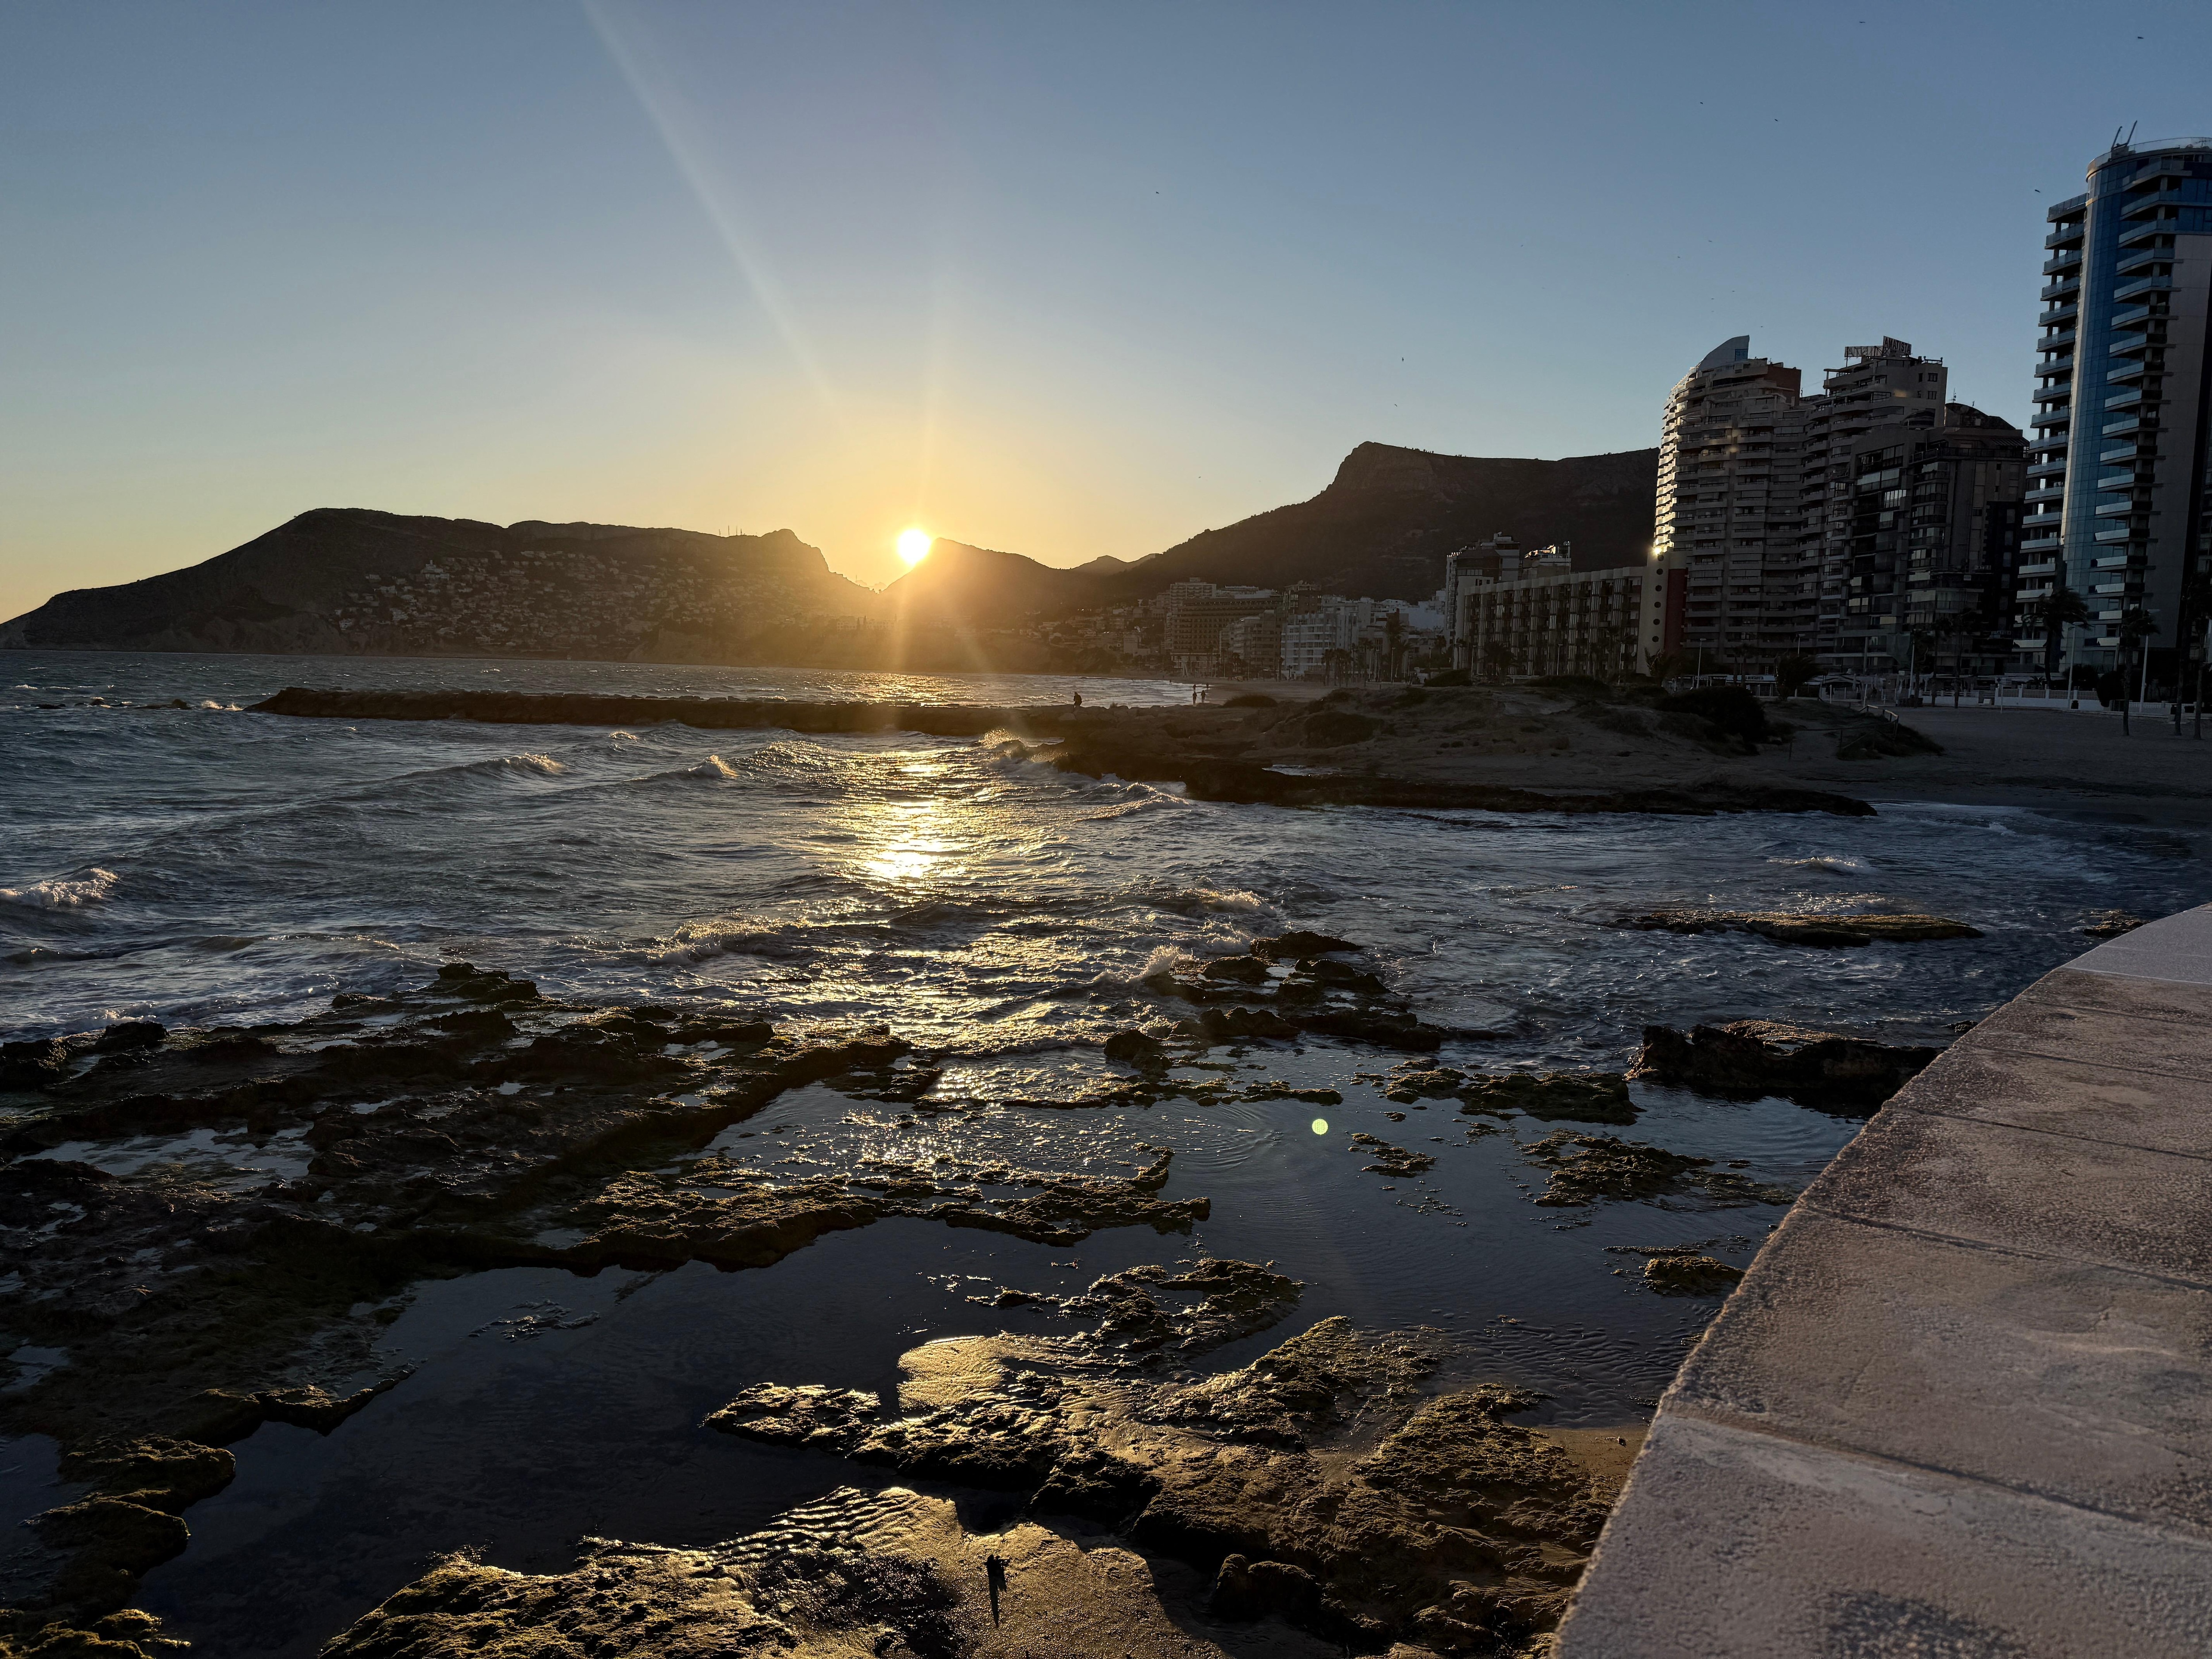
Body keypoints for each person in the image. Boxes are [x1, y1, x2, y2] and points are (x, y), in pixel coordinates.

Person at [984, 1553, 1009, 1624]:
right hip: (995, 1579)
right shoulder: (995, 1565)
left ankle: (996, 1619)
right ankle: (996, 1619)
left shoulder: (990, 1566)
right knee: (994, 1598)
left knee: (994, 1597)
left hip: (993, 1581)